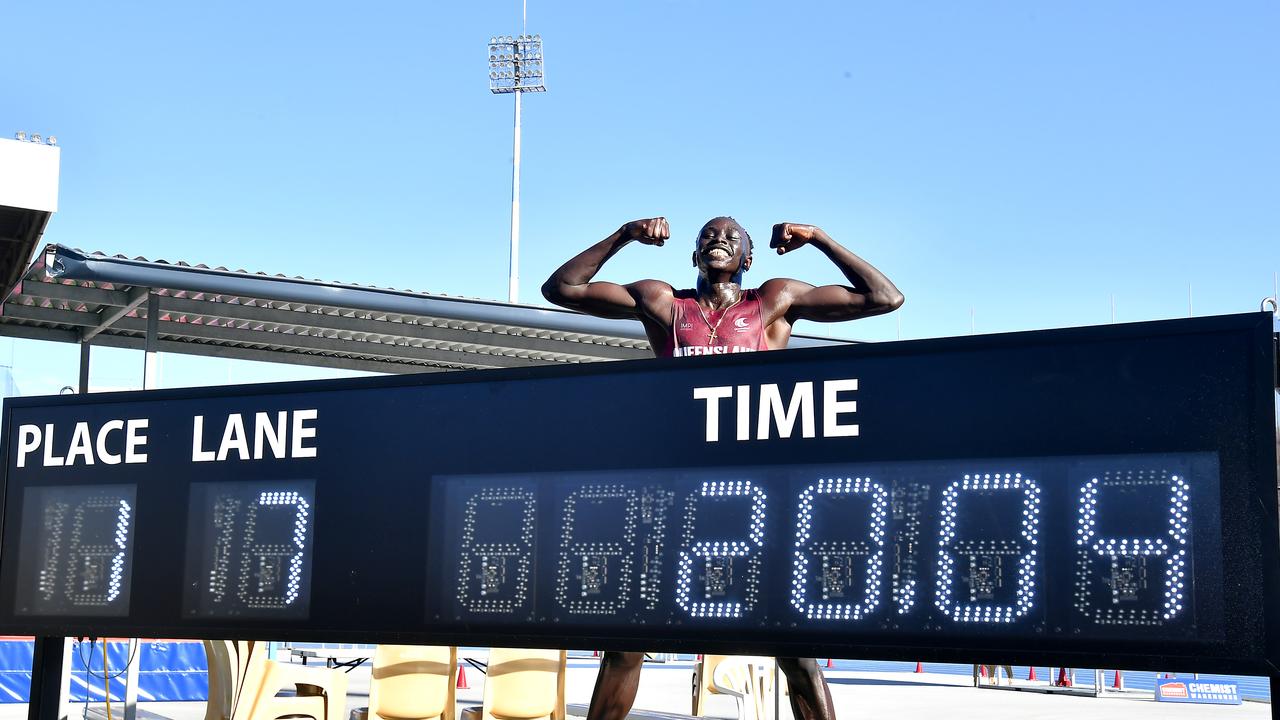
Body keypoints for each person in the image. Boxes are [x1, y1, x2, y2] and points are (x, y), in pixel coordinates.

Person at [542, 216, 904, 720]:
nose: (720, 240)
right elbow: (562, 288)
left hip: (755, 492)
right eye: (709, 236)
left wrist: (818, 238)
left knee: (794, 648)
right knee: (626, 641)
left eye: (732, 238)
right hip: (679, 489)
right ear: (694, 256)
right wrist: (625, 235)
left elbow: (885, 298)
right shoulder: (665, 304)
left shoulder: (772, 301)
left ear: (748, 260)